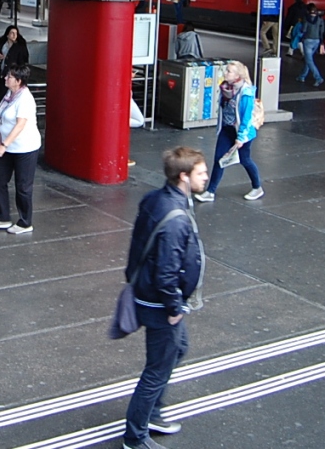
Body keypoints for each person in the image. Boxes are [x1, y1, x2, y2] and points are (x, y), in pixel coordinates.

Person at [121, 147, 207, 449]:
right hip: (160, 304)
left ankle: (153, 413)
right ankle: (135, 437)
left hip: (146, 292)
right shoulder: (176, 218)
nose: (206, 177)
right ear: (183, 176)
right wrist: (173, 308)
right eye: (200, 173)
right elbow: (167, 272)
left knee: (178, 349)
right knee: (156, 370)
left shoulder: (156, 198)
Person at [0, 65, 42, 235]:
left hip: (25, 148)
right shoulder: (9, 95)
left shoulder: (25, 99)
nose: (5, 78)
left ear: (18, 81)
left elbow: (20, 125)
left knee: (23, 186)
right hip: (8, 147)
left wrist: (4, 145)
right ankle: (2, 217)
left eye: (9, 76)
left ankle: (25, 222)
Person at [196, 61, 263, 202]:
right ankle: (210, 192)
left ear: (238, 75)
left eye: (229, 71)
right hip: (227, 129)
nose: (225, 73)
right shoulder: (226, 88)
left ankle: (257, 187)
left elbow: (246, 118)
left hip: (242, 132)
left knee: (245, 160)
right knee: (219, 159)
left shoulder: (246, 92)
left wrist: (241, 137)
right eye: (226, 70)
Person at [0, 25, 29, 104]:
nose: (14, 35)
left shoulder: (20, 47)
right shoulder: (2, 44)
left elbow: (23, 61)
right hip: (1, 74)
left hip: (12, 75)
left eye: (15, 33)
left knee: (10, 96)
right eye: (12, 33)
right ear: (7, 34)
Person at [295, 4, 325, 86]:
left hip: (308, 40)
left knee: (309, 61)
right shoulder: (320, 19)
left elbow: (304, 29)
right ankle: (302, 76)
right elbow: (322, 31)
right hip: (317, 40)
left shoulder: (306, 18)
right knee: (308, 59)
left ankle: (318, 78)